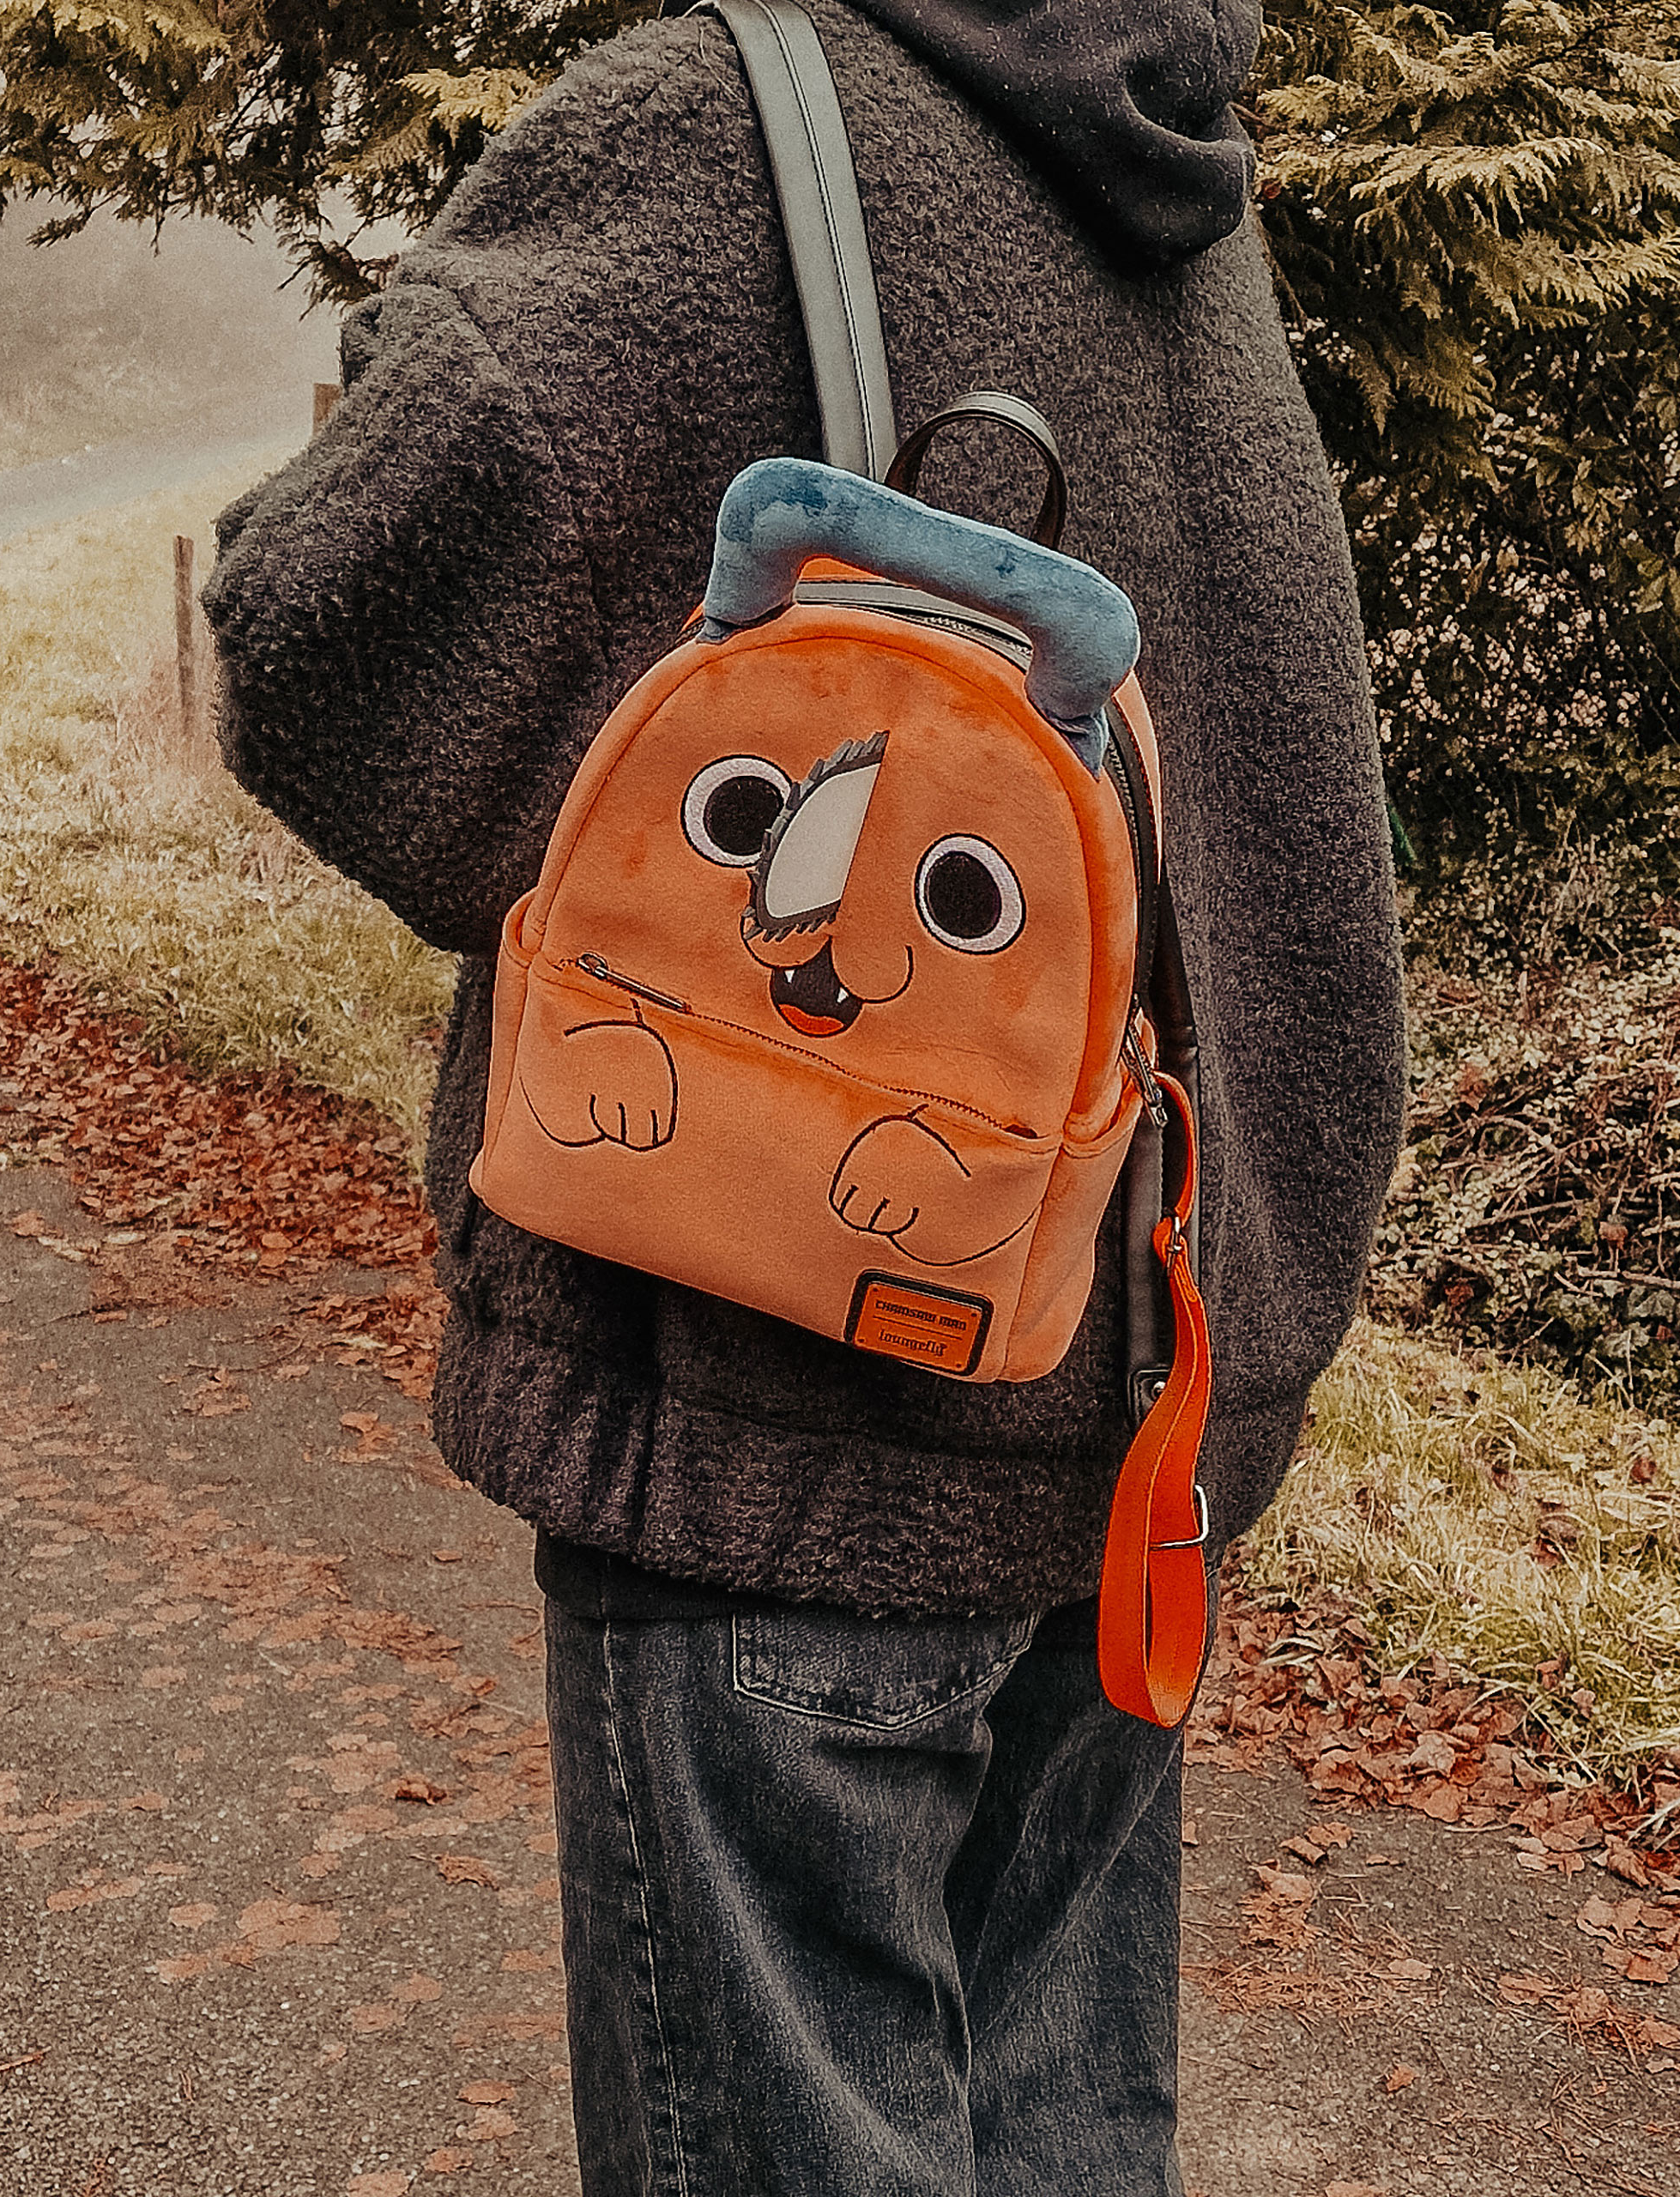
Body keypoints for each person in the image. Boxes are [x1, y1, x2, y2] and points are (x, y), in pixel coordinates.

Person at [205, 2, 1405, 2189]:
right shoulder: (1179, 184)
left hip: (793, 1401)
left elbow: (316, 626)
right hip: (1130, 1375)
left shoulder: (710, 128)